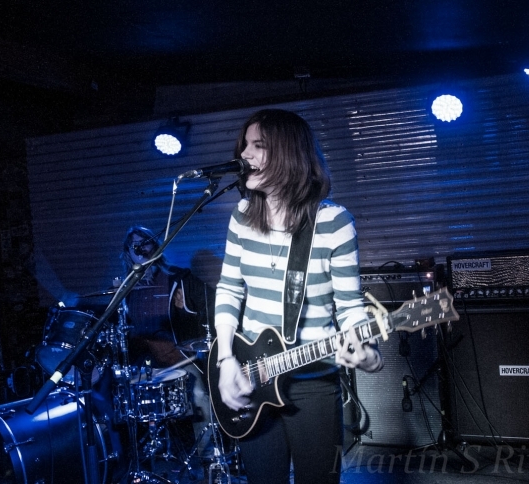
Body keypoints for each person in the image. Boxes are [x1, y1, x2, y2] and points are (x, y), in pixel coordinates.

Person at [213, 109, 384, 484]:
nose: (245, 154)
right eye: (244, 145)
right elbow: (229, 288)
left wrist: (368, 353)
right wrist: (225, 359)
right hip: (250, 373)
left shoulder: (333, 222)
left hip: (312, 380)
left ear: (289, 153)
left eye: (258, 145)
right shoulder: (242, 215)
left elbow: (350, 306)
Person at [120, 225, 216, 461]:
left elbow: (211, 307)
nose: (142, 250)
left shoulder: (178, 279)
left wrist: (187, 310)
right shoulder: (124, 290)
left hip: (177, 359)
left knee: (199, 394)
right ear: (128, 253)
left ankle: (208, 459)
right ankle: (140, 463)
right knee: (119, 399)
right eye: (136, 246)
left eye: (146, 243)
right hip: (143, 366)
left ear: (156, 247)